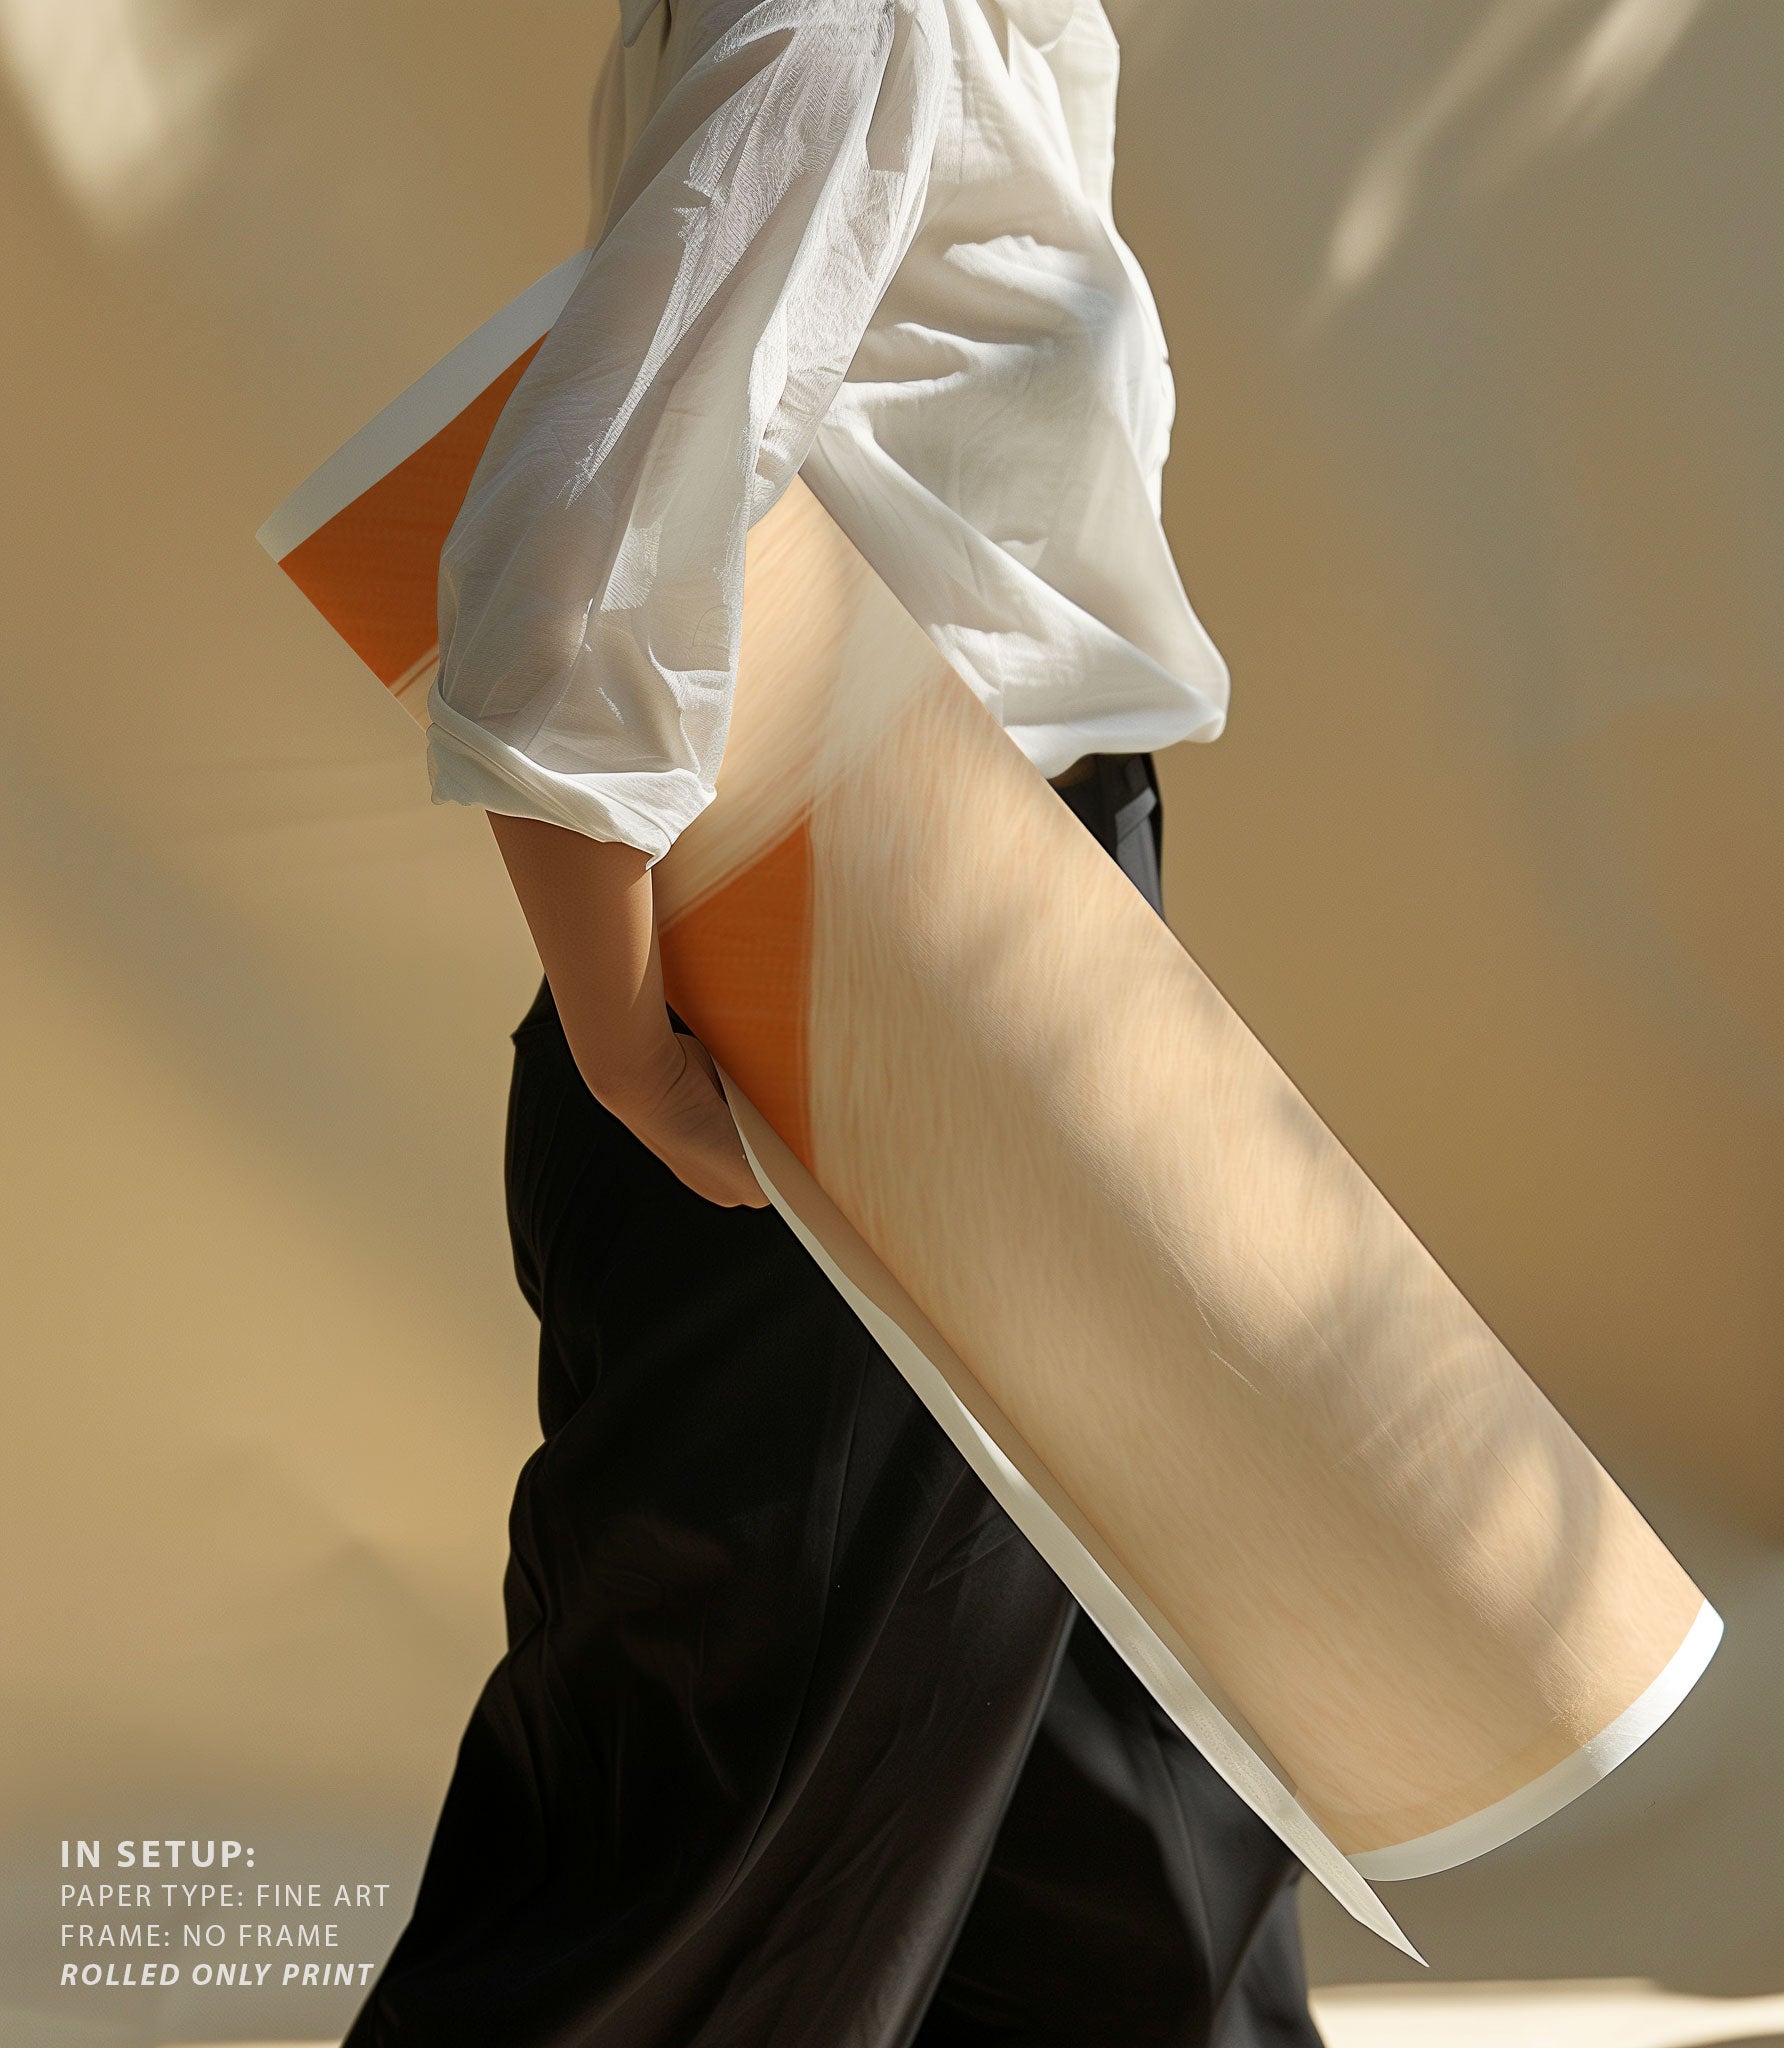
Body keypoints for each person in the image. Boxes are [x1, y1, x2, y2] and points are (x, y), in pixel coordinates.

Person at [342, 2, 1319, 2042]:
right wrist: (628, 1045)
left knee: (1138, 1824)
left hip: (1025, 934)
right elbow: (577, 540)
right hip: (862, 960)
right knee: (690, 1862)